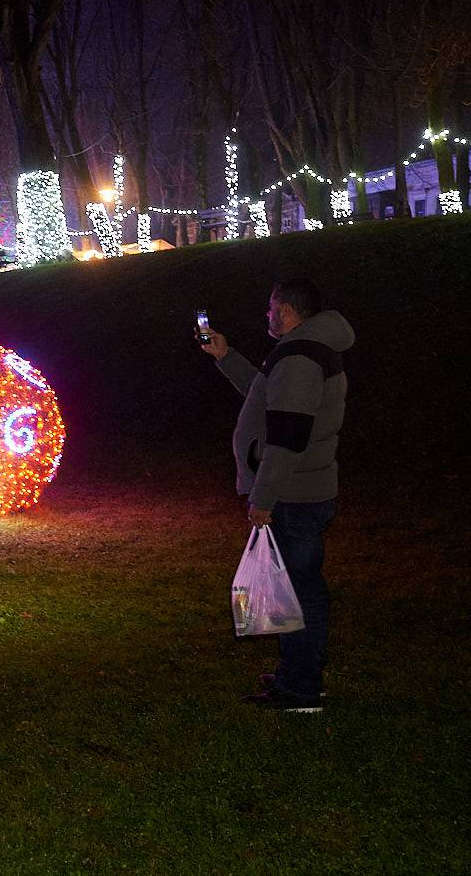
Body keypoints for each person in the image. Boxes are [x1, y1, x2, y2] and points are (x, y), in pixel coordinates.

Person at [200, 278, 353, 713]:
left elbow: (287, 437)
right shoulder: (302, 350)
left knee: (300, 592)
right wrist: (226, 356)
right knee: (299, 588)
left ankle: (301, 688)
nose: (267, 315)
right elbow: (264, 395)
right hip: (301, 490)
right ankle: (298, 675)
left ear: (286, 310)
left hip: (294, 495)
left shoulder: (301, 357)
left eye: (271, 308)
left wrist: (262, 498)